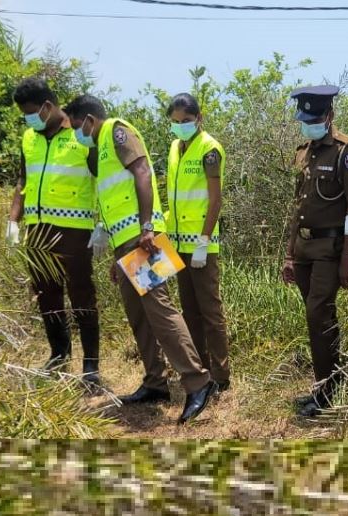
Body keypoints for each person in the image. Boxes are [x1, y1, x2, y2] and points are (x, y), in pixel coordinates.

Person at [63, 94, 215, 424]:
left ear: (89, 119)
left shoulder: (117, 131)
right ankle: (155, 382)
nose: (76, 133)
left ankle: (198, 381)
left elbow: (143, 172)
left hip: (142, 236)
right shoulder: (99, 149)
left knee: (159, 309)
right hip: (125, 241)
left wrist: (147, 227)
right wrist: (111, 243)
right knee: (137, 311)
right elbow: (114, 196)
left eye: (76, 126)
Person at [281, 85, 348, 418]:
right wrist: (290, 254)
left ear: (329, 116)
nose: (309, 124)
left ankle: (328, 391)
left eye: (315, 118)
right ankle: (328, 385)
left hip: (330, 249)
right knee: (318, 317)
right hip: (304, 246)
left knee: (318, 313)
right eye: (305, 119)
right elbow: (297, 208)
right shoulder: (303, 151)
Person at [10, 77, 100, 383]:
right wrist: (13, 220)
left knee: (81, 295)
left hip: (74, 230)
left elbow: (103, 176)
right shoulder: (29, 138)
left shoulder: (80, 135)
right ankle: (59, 356)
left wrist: (102, 224)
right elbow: (23, 180)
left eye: (32, 112)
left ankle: (91, 366)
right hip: (37, 230)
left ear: (48, 106)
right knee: (47, 296)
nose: (28, 119)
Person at [164, 93, 231, 393]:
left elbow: (215, 200)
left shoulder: (209, 149)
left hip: (202, 245)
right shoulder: (175, 148)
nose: (181, 126)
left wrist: (204, 241)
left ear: (199, 118)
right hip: (177, 242)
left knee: (210, 312)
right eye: (176, 122)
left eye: (186, 121)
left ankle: (221, 376)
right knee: (188, 311)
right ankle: (200, 370)